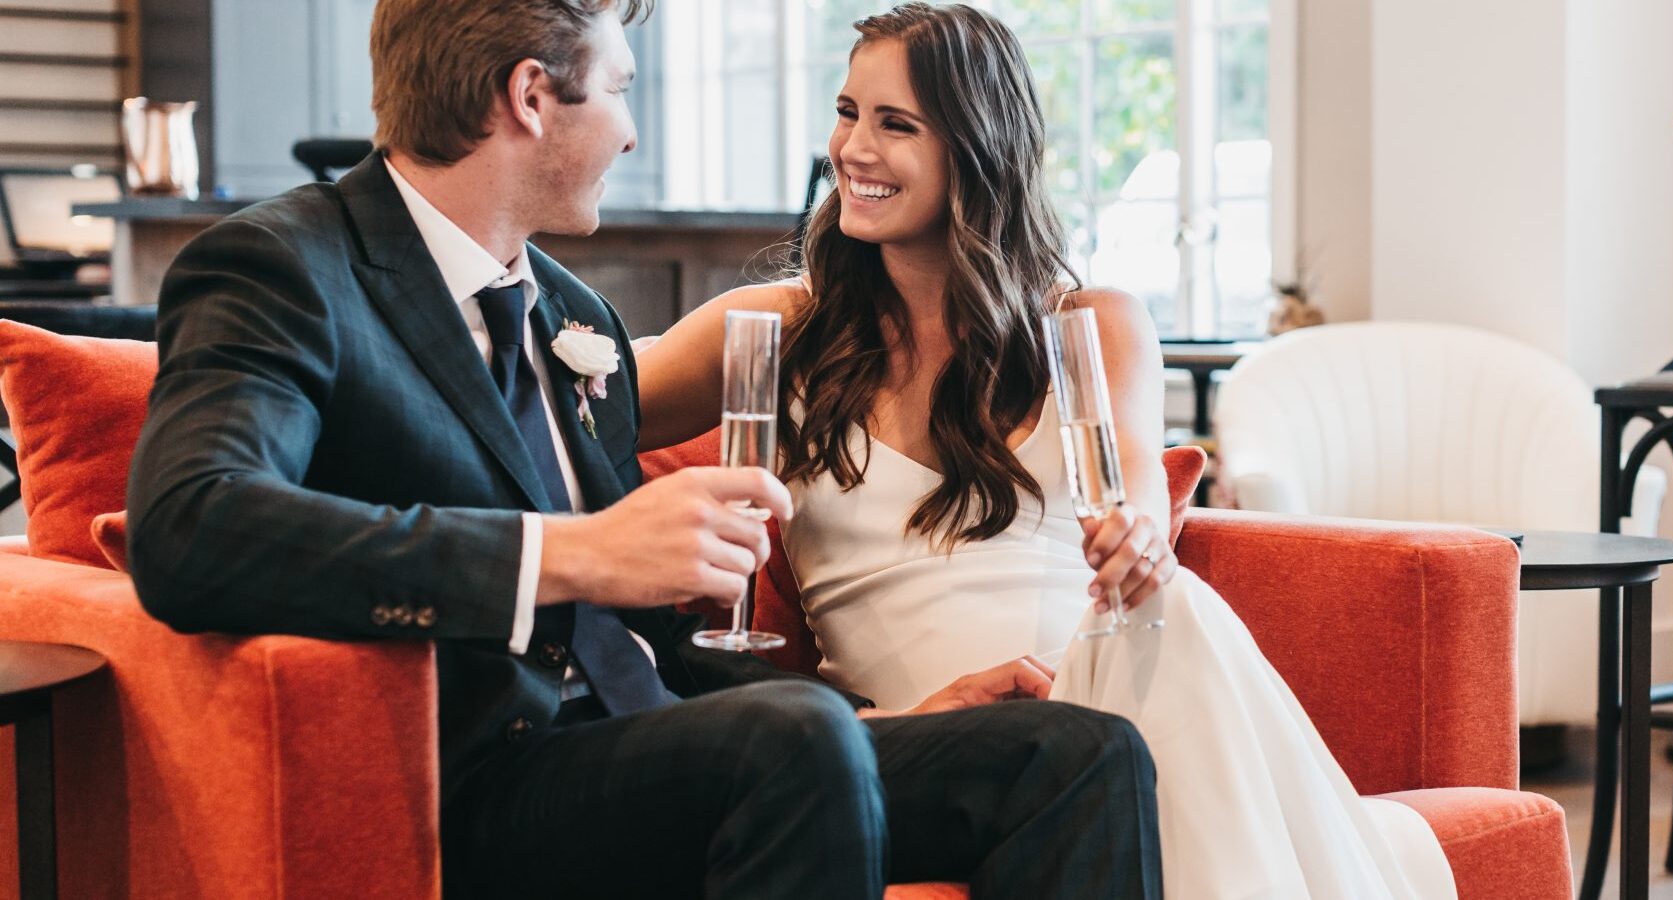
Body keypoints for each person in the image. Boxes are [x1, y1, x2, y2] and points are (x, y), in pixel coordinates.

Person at [123, 1, 1162, 897]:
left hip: (668, 744)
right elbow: (192, 525)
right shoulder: (284, 268)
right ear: (533, 96)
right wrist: (567, 554)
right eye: (619, 88)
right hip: (487, 772)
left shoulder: (570, 316)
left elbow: (650, 656)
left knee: (1074, 753)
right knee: (793, 739)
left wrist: (883, 722)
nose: (630, 133)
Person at [636, 4, 1457, 897]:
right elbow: (576, 401)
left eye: (895, 124)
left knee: (1174, 611)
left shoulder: (1093, 324)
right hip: (936, 743)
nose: (852, 149)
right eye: (847, 112)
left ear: (977, 147)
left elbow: (1133, 494)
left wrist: (1138, 540)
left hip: (1101, 677)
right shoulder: (777, 327)